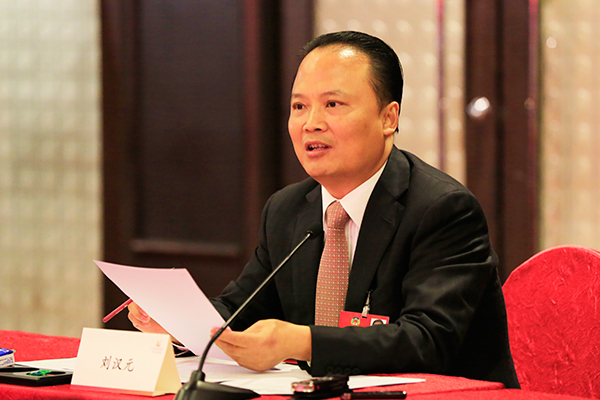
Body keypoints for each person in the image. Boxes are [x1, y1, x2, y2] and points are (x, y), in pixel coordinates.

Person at [129, 31, 520, 388]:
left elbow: (427, 340)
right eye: (299, 106)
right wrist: (180, 324)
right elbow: (241, 309)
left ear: (388, 118)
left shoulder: (442, 209)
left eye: (333, 104)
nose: (311, 123)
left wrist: (304, 342)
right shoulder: (286, 209)